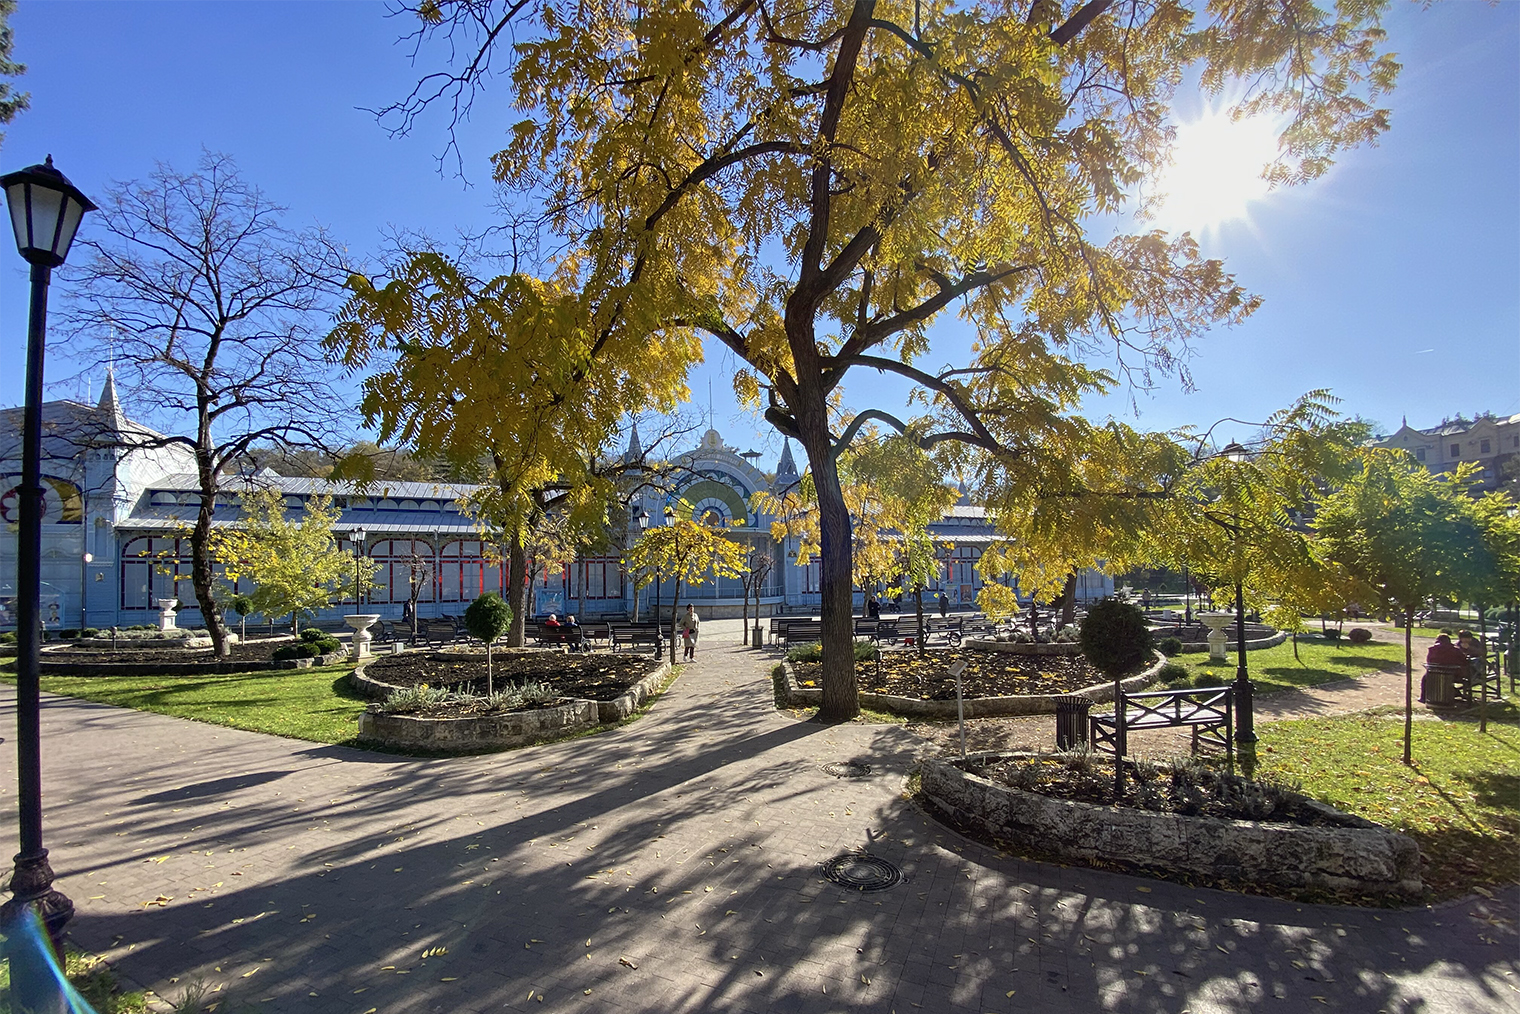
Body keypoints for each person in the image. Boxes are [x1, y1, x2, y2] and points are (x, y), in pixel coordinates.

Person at [1423, 633, 1470, 703]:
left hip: (1434, 673)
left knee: (1425, 678)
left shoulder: (1432, 649)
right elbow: (1464, 662)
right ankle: (1457, 694)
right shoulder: (1455, 650)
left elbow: (1429, 661)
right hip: (1454, 675)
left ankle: (1423, 697)